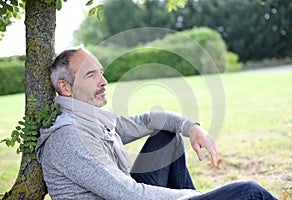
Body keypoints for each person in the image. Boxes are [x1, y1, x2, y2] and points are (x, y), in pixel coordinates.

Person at [36, 46, 277, 200]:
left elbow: (150, 120)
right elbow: (126, 193)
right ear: (65, 88)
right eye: (91, 75)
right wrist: (190, 197)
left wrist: (191, 127)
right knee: (250, 193)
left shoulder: (90, 120)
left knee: (166, 136)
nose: (104, 81)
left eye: (100, 72)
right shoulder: (69, 136)